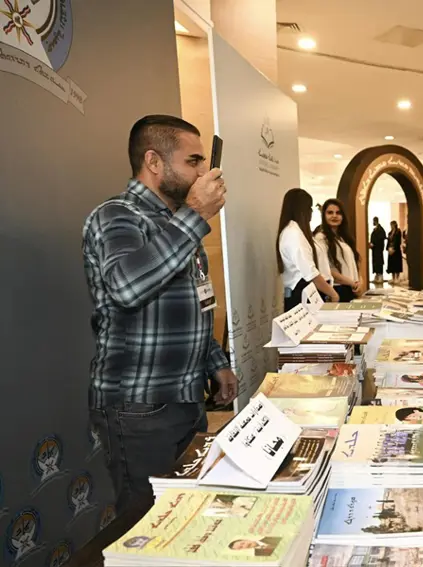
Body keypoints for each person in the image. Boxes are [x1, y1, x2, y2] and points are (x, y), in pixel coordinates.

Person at [82, 115, 239, 521]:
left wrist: (216, 362)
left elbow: (193, 305)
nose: (203, 172)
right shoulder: (116, 217)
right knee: (147, 524)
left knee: (182, 517)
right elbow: (128, 288)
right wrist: (194, 217)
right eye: (193, 161)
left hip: (186, 401)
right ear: (154, 162)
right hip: (138, 406)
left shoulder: (180, 225)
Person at [277, 189, 338, 311]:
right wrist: (333, 294)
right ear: (301, 210)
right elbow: (310, 273)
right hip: (301, 297)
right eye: (309, 207)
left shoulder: (296, 231)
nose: (311, 212)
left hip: (308, 294)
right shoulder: (293, 233)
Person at [314, 199, 363, 302]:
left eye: (338, 213)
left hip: (351, 289)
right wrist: (352, 283)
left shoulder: (344, 237)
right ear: (324, 215)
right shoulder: (321, 238)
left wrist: (359, 282)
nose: (334, 216)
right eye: (330, 212)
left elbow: (355, 262)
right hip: (336, 290)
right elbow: (326, 269)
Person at [370, 217, 387, 283]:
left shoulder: (380, 229)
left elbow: (381, 238)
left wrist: (374, 244)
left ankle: (380, 276)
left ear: (376, 221)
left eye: (373, 221)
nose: (373, 222)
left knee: (379, 262)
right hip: (374, 250)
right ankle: (376, 276)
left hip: (378, 249)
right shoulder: (375, 229)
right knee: (375, 262)